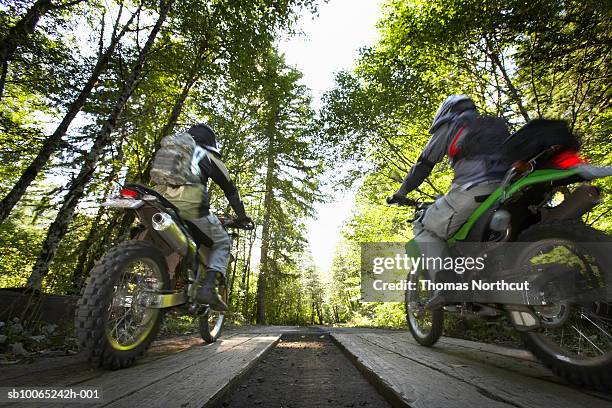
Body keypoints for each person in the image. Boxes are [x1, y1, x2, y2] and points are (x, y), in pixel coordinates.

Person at [388, 95, 507, 308]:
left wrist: (401, 192)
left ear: (446, 111)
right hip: (505, 190)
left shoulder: (453, 124)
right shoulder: (495, 125)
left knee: (424, 226)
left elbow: (424, 164)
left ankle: (448, 290)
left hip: (473, 190)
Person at [156, 123, 252, 311]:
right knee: (223, 242)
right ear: (209, 143)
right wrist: (242, 216)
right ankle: (208, 288)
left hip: (157, 203)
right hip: (190, 209)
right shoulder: (207, 155)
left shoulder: (170, 150)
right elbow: (231, 190)